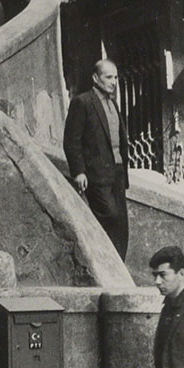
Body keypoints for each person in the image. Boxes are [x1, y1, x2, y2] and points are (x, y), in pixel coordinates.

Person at [63, 59, 129, 260]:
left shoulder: (113, 104)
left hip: (117, 172)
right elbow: (71, 140)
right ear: (95, 78)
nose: (113, 82)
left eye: (116, 77)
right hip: (96, 175)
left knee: (122, 226)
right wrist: (79, 171)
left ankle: (117, 268)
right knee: (109, 216)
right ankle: (101, 262)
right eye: (108, 77)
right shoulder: (82, 102)